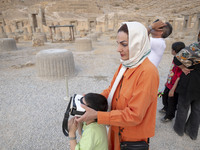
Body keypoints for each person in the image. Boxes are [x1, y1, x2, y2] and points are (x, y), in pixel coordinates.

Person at [76, 22, 159, 150]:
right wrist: (92, 100)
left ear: (137, 44)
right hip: (116, 128)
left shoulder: (148, 72)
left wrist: (98, 115)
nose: (118, 49)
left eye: (124, 44)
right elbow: (112, 90)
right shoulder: (126, 64)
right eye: (118, 43)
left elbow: (134, 115)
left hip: (131, 138)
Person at [173, 36, 200, 140]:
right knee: (197, 109)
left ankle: (179, 129)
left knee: (183, 106)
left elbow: (177, 59)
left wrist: (183, 68)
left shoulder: (195, 47)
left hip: (191, 80)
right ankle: (192, 133)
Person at [160, 42, 185, 123]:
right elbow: (172, 71)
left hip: (174, 85)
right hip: (169, 83)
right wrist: (167, 81)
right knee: (165, 95)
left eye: (172, 49)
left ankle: (169, 116)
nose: (171, 50)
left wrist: (173, 89)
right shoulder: (175, 59)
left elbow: (178, 77)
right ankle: (165, 107)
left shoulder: (181, 63)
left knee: (172, 101)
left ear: (175, 51)